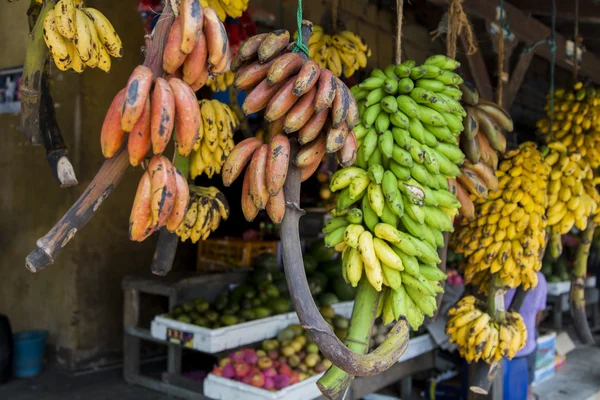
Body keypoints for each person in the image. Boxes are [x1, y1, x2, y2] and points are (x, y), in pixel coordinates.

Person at [505, 271, 547, 400]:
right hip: (527, 341)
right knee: (527, 388)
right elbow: (539, 314)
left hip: (503, 345)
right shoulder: (539, 278)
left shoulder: (502, 276)